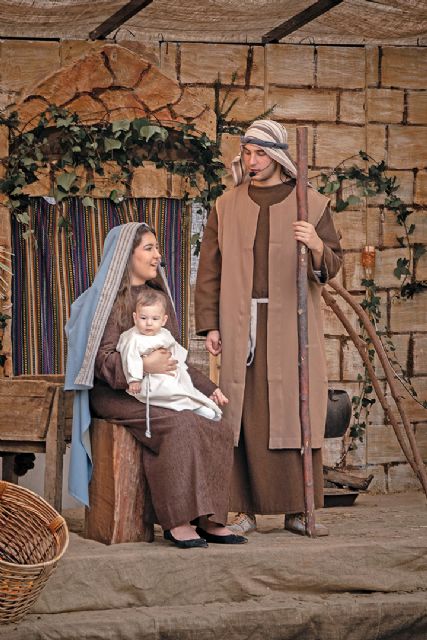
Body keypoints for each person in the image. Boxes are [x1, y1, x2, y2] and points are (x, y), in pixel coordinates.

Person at [195, 120, 343, 536]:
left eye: (260, 153)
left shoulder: (311, 204)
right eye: (247, 152)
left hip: (292, 324)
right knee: (241, 413)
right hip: (238, 321)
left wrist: (315, 243)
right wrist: (209, 324)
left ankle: (299, 508)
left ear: (277, 155)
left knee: (295, 412)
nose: (252, 161)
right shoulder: (226, 205)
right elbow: (209, 271)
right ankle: (241, 509)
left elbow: (330, 267)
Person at [65, 222, 247, 548]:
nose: (157, 255)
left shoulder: (159, 300)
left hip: (164, 388)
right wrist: (143, 366)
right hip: (120, 393)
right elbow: (98, 359)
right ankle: (177, 521)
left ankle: (210, 517)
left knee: (217, 424)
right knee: (179, 426)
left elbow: (178, 359)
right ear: (126, 254)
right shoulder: (106, 301)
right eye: (149, 248)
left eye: (157, 248)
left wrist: (208, 389)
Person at [116, 287, 225, 433]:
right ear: (135, 317)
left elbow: (176, 352)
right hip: (149, 381)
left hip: (170, 373)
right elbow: (130, 358)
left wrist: (178, 367)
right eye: (143, 318)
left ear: (163, 320)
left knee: (186, 385)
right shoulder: (133, 338)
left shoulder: (164, 333)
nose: (149, 323)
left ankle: (201, 405)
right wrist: (134, 379)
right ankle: (192, 408)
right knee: (168, 390)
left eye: (155, 319)